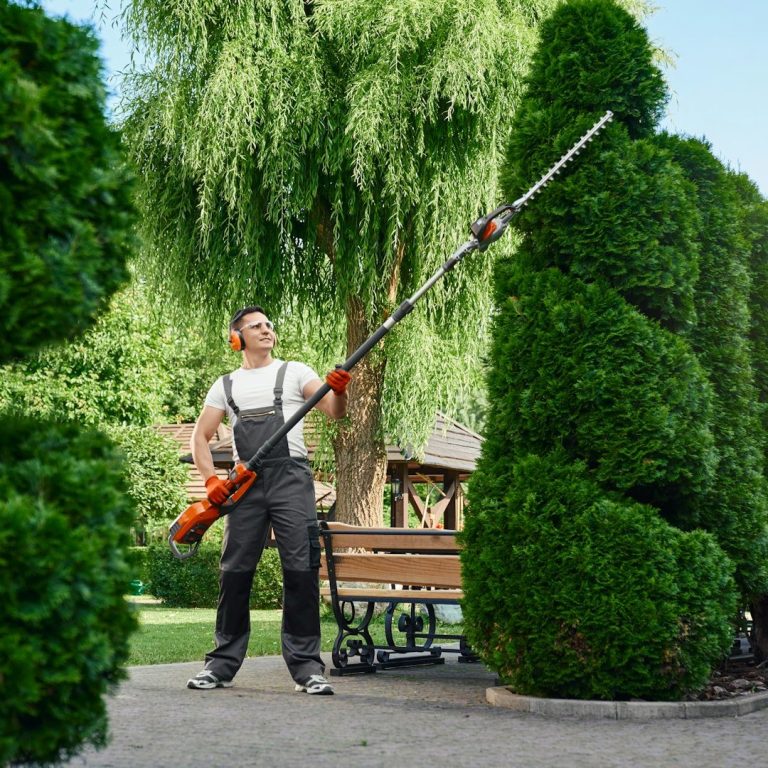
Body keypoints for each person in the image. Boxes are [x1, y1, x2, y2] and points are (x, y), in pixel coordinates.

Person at [186, 305, 350, 695]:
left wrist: (339, 390)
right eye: (255, 326)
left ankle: (308, 668)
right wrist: (211, 481)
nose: (266, 329)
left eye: (269, 324)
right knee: (235, 571)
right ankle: (220, 665)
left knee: (301, 568)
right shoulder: (224, 385)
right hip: (246, 485)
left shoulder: (295, 372)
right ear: (236, 339)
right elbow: (199, 439)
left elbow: (333, 412)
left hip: (291, 478)